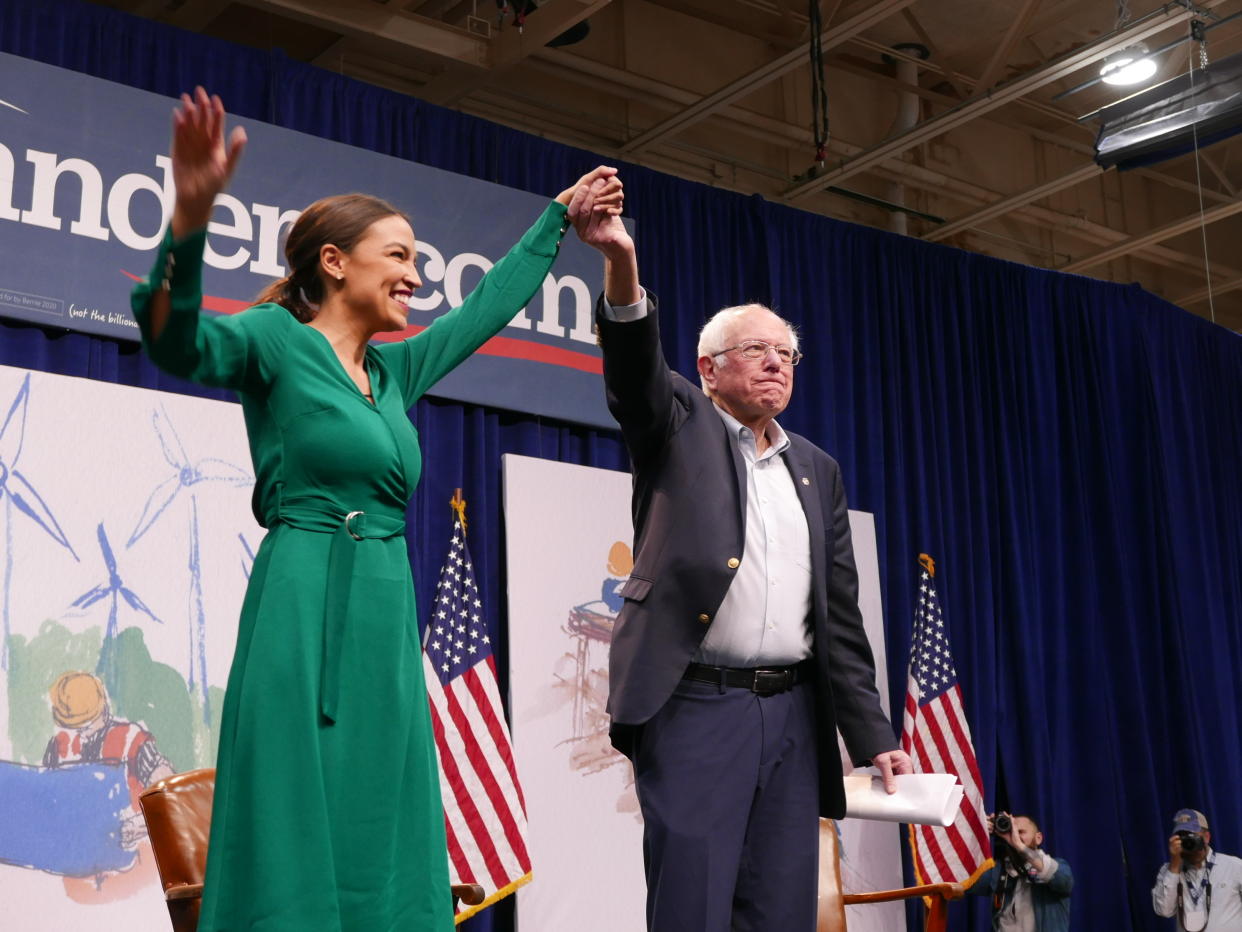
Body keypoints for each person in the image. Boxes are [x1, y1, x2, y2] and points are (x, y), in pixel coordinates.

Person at [130, 87, 622, 930]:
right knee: (293, 800)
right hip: (301, 598)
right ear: (334, 262)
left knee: (382, 808)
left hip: (383, 608)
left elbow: (485, 310)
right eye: (397, 255)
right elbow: (176, 339)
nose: (414, 274)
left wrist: (556, 220)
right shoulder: (275, 344)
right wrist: (191, 214)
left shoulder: (396, 372)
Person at [568, 177, 911, 930]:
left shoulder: (817, 469)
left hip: (794, 716)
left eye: (787, 353)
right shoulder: (676, 424)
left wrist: (874, 736)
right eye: (756, 350)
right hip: (696, 705)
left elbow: (840, 622)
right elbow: (631, 361)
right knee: (693, 903)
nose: (776, 364)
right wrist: (620, 260)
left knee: (782, 910)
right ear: (709, 367)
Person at [43, 670, 175, 846]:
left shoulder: (132, 738)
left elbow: (170, 795)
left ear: (104, 709)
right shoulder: (58, 745)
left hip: (131, 850)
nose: (81, 732)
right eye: (73, 725)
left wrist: (140, 824)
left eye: (86, 723)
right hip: (76, 850)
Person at [970, 811, 1073, 931]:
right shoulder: (999, 872)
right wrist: (975, 834)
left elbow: (1062, 880)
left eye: (1021, 832)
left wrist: (1019, 845)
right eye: (1012, 831)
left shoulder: (1059, 866)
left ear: (1038, 838)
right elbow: (964, 880)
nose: (1014, 836)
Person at [1153, 808, 1242, 931]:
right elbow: (1164, 911)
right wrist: (1174, 866)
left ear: (1206, 837)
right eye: (1182, 837)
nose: (1188, 841)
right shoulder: (1168, 871)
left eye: (1192, 835)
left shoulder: (1234, 866)